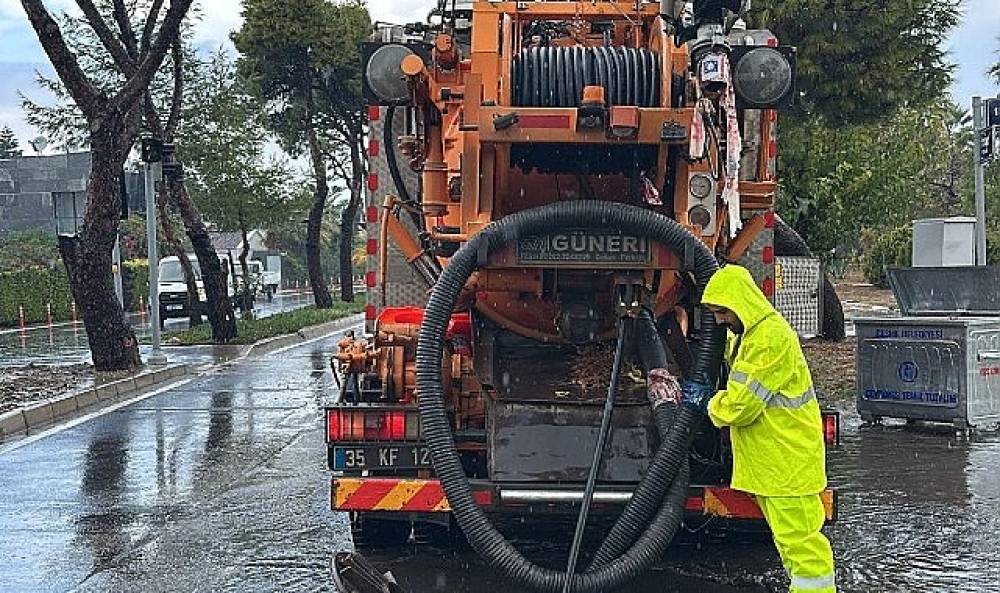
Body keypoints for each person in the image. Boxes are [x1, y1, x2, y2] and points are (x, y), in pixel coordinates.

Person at [680, 264, 836, 593]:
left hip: (787, 466)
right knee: (792, 547)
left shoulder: (769, 339)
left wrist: (708, 403)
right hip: (774, 466)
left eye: (723, 311)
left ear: (742, 303)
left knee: (804, 552)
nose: (719, 320)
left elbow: (741, 406)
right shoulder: (751, 336)